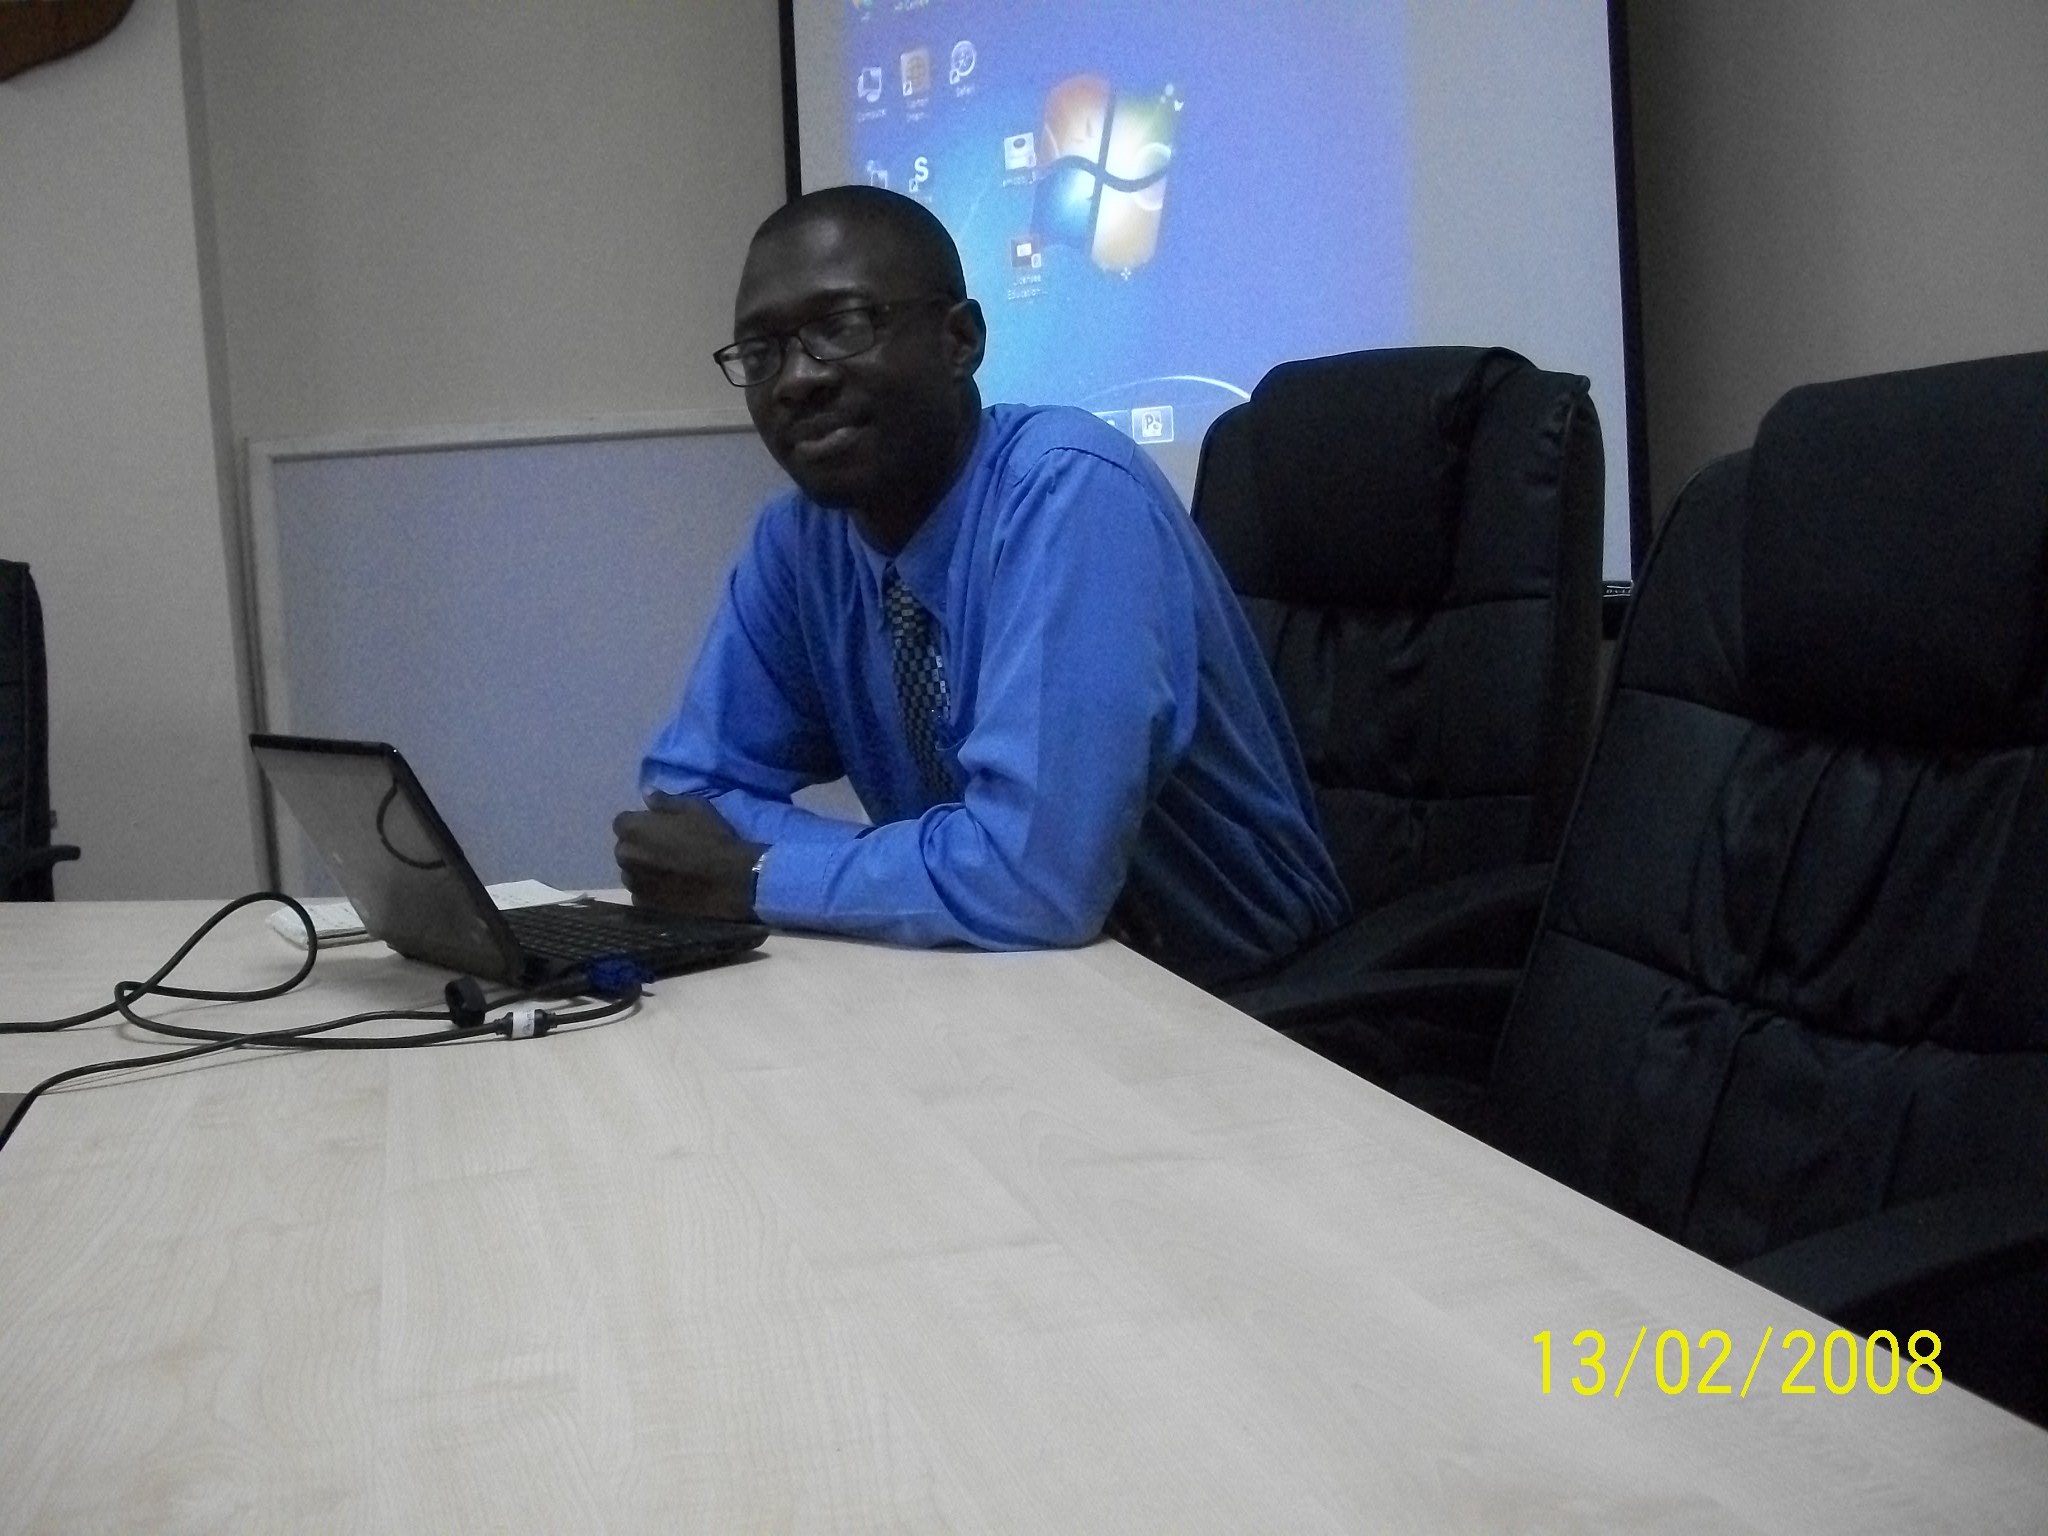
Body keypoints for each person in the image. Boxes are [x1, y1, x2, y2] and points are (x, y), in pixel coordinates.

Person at [616, 185, 1347, 989]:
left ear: (959, 340)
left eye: (841, 327)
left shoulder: (1067, 491)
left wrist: (758, 872)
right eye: (761, 352)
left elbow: (1035, 881)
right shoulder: (799, 541)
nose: (795, 379)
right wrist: (955, 872)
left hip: (1240, 996)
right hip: (1000, 973)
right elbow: (686, 801)